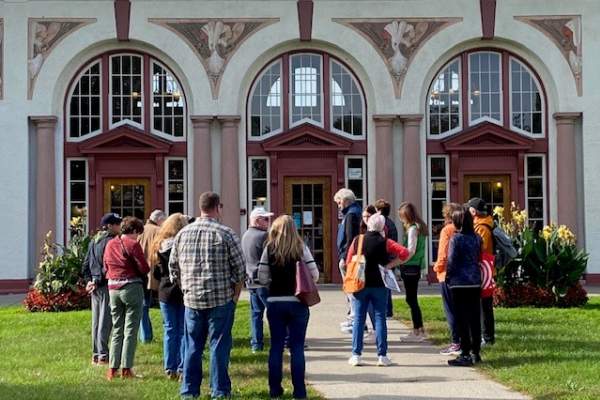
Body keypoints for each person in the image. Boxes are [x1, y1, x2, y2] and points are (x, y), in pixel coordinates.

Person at [169, 192, 246, 399]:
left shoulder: (183, 234)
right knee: (219, 346)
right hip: (220, 298)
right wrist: (235, 297)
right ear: (218, 207)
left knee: (192, 345)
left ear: (200, 207)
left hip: (192, 299)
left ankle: (189, 390)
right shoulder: (226, 233)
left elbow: (173, 268)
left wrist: (185, 288)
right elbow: (240, 269)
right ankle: (219, 390)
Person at [257, 215, 319, 399]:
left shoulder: (270, 248)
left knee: (276, 346)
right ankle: (299, 391)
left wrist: (272, 281)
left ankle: (275, 389)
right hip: (298, 302)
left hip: (276, 301)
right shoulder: (301, 248)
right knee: (297, 347)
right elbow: (314, 275)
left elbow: (261, 277)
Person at [345, 214, 409, 367]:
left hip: (360, 283)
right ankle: (382, 355)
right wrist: (391, 264)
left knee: (359, 319)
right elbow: (405, 253)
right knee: (380, 319)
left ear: (368, 225)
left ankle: (356, 355)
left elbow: (348, 261)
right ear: (383, 227)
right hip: (380, 284)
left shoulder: (357, 240)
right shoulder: (386, 242)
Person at [103, 217, 150, 380]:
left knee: (117, 329)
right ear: (135, 231)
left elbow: (105, 266)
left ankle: (112, 369)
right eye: (138, 233)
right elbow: (144, 267)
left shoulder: (110, 244)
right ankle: (126, 369)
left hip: (112, 288)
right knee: (130, 330)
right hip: (131, 287)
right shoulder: (133, 244)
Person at [149, 213, 188, 380]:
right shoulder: (183, 244)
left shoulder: (159, 245)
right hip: (182, 288)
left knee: (169, 329)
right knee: (182, 330)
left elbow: (156, 272)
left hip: (165, 290)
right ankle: (181, 366)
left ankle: (169, 367)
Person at [81, 212, 122, 366]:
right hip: (104, 284)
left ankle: (96, 354)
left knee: (96, 322)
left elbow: (86, 265)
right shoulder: (111, 241)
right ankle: (103, 355)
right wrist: (96, 281)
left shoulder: (94, 240)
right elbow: (108, 265)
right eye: (117, 224)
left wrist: (89, 281)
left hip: (94, 284)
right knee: (105, 321)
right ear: (110, 226)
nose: (120, 226)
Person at [446, 206, 482, 366]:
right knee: (474, 317)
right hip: (474, 281)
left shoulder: (456, 239)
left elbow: (452, 260)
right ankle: (476, 352)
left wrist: (448, 275)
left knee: (461, 319)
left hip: (459, 282)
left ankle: (465, 353)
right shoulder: (476, 238)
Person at [242, 206, 274, 353]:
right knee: (275, 312)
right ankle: (284, 340)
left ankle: (256, 344)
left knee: (256, 314)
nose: (268, 222)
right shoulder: (263, 236)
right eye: (266, 219)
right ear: (256, 220)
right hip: (263, 280)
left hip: (251, 280)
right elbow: (271, 257)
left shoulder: (246, 235)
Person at [433, 203, 463, 356]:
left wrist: (437, 267)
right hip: (464, 275)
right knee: (462, 310)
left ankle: (456, 342)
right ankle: (464, 341)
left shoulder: (447, 230)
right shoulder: (465, 229)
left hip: (447, 274)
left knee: (450, 309)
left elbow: (443, 254)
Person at [397, 202, 428, 342]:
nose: (401, 220)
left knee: (411, 299)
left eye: (402, 217)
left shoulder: (412, 229)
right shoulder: (418, 227)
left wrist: (398, 261)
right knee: (412, 299)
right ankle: (419, 329)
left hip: (410, 267)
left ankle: (417, 330)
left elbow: (411, 250)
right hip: (415, 266)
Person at [467, 197, 496, 346]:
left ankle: (487, 336)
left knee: (484, 304)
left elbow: (481, 248)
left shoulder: (482, 227)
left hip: (484, 268)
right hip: (485, 267)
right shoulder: (483, 224)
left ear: (473, 211)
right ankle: (487, 335)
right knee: (483, 304)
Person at [334, 188, 362, 334]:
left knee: (351, 290)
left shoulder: (351, 215)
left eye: (339, 202)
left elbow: (351, 239)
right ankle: (353, 318)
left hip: (349, 258)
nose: (338, 205)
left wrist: (346, 257)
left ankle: (354, 320)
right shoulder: (353, 213)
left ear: (345, 201)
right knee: (350, 290)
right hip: (349, 256)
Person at [137, 209, 167, 343]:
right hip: (156, 273)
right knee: (164, 304)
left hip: (141, 272)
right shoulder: (159, 231)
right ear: (160, 220)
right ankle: (167, 332)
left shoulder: (141, 230)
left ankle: (144, 335)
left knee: (143, 305)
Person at [374, 199, 399, 318]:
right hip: (391, 257)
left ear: (378, 210)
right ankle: (389, 310)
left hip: (383, 258)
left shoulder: (381, 224)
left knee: (383, 286)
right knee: (387, 285)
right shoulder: (392, 223)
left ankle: (385, 310)